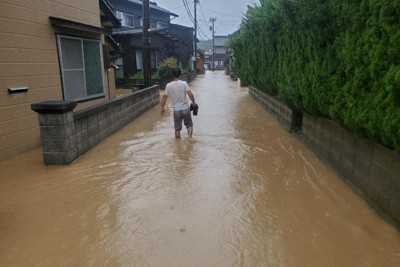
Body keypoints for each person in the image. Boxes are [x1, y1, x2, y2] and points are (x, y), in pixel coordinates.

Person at [160, 67, 197, 138]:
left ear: (172, 75)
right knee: (189, 125)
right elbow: (190, 94)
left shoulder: (168, 85)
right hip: (185, 108)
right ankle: (189, 138)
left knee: (177, 129)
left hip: (176, 110)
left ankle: (177, 144)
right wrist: (194, 102)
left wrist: (162, 108)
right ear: (180, 75)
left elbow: (164, 97)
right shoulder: (184, 83)